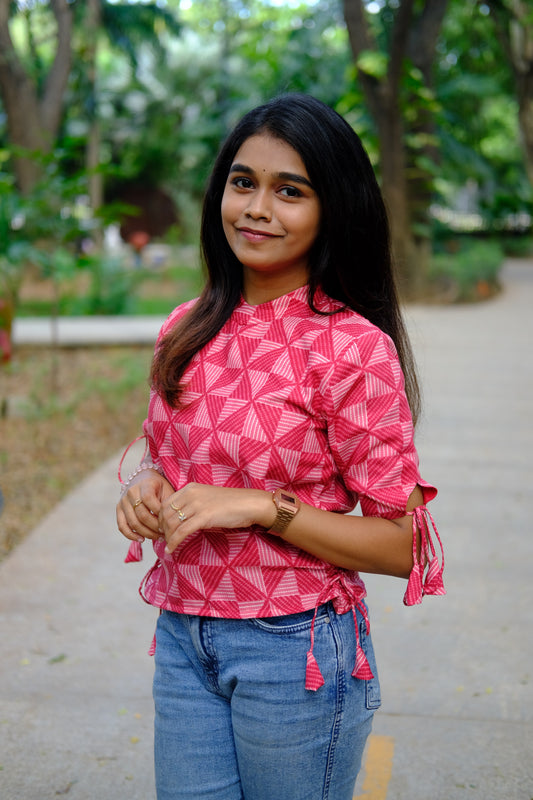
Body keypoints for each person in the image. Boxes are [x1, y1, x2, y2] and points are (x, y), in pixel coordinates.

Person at [116, 93, 444, 800]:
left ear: (333, 207)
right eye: (243, 182)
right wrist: (147, 488)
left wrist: (264, 508)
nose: (256, 208)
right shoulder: (186, 324)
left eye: (288, 191)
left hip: (295, 651)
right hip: (183, 635)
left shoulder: (353, 348)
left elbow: (398, 546)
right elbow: (167, 455)